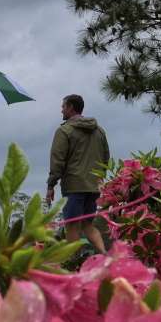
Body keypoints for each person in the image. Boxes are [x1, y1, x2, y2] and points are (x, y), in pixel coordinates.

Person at [45, 93, 110, 252]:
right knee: (88, 225)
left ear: (71, 108)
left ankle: (71, 263)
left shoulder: (65, 131)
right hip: (94, 186)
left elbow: (57, 160)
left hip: (74, 186)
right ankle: (105, 256)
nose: (61, 111)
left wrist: (51, 185)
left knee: (72, 226)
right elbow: (105, 157)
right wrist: (99, 177)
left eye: (63, 107)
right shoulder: (99, 131)